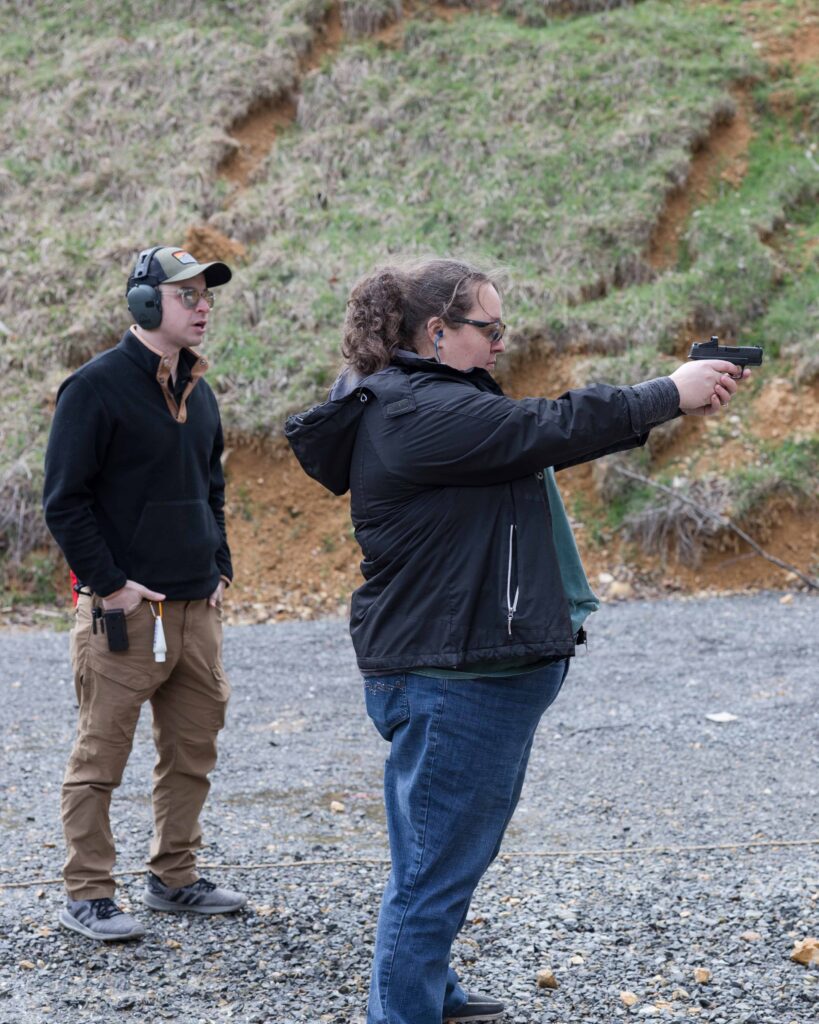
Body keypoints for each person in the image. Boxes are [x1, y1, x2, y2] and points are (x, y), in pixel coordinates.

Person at [285, 257, 750, 1024]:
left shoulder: (424, 400)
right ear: (437, 332)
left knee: (433, 858)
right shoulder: (416, 410)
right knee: (433, 872)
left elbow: (530, 433)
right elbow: (550, 426)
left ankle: (429, 995)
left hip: (457, 668)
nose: (501, 342)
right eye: (488, 328)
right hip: (453, 675)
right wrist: (670, 392)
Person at [43, 245, 246, 942]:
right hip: (125, 615)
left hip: (196, 610)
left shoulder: (201, 390)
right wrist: (111, 585)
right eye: (187, 295)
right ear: (144, 302)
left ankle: (174, 878)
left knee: (192, 753)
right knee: (100, 759)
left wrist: (220, 567)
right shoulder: (94, 388)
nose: (202, 306)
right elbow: (64, 502)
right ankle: (89, 894)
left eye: (205, 295)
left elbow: (211, 490)